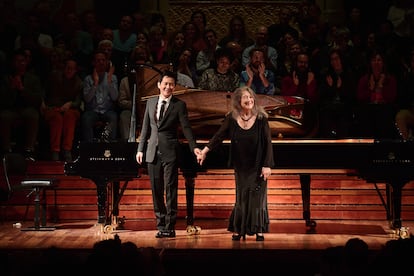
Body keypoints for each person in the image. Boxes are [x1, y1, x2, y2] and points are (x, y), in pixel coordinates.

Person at [197, 86, 274, 241]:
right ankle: (240, 229)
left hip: (258, 165)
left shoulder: (261, 119)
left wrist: (267, 165)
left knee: (257, 197)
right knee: (242, 197)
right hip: (241, 166)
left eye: (251, 97)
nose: (249, 100)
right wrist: (204, 151)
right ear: (239, 100)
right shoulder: (232, 118)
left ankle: (258, 229)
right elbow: (218, 136)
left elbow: (268, 143)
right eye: (246, 97)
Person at [136, 70, 201, 238]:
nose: (168, 87)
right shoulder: (150, 103)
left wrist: (194, 147)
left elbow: (186, 127)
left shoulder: (179, 105)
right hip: (152, 151)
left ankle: (170, 226)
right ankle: (161, 224)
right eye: (165, 83)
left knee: (170, 189)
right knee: (156, 189)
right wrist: (140, 149)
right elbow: (145, 128)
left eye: (171, 84)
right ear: (159, 85)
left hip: (170, 151)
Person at [0, 49, 44, 161]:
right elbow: (3, 100)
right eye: (17, 61)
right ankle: (6, 150)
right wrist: (11, 88)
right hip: (11, 109)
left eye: (22, 61)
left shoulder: (33, 78)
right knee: (4, 116)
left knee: (33, 115)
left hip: (27, 108)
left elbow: (37, 99)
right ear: (13, 62)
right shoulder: (6, 78)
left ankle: (29, 150)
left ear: (26, 62)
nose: (20, 63)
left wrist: (22, 89)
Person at [41, 58, 82, 161]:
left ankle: (67, 149)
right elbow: (44, 91)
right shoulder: (54, 77)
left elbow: (78, 101)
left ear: (75, 70)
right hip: (53, 107)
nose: (69, 70)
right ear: (64, 68)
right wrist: (41, 102)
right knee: (57, 119)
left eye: (72, 69)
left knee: (70, 116)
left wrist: (70, 104)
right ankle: (55, 151)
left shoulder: (79, 82)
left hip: (69, 109)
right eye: (67, 68)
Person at [81, 50, 119, 143]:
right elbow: (87, 99)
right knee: (86, 118)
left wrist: (109, 82)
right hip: (92, 111)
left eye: (103, 60)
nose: (101, 62)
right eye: (98, 60)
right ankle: (89, 148)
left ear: (106, 62)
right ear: (94, 63)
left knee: (113, 117)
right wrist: (95, 84)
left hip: (107, 111)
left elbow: (115, 98)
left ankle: (109, 147)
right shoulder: (88, 79)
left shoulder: (113, 78)